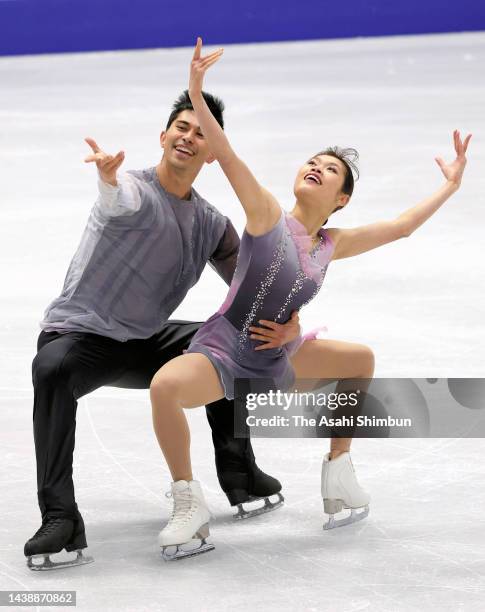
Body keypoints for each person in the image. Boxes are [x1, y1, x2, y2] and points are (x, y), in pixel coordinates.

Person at [150, 38, 472, 559]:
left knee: (359, 361)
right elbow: (227, 155)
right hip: (227, 348)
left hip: (280, 352)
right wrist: (195, 92)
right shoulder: (266, 215)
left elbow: (401, 227)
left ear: (340, 199)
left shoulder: (332, 243)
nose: (316, 167)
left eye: (331, 170)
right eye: (312, 161)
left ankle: (338, 473)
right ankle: (188, 502)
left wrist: (451, 187)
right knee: (165, 387)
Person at [24, 89, 302, 571]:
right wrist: (107, 179)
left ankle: (239, 471)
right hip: (81, 339)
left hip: (144, 340)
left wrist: (288, 318)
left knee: (230, 341)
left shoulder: (211, 223)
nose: (189, 138)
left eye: (201, 134)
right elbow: (117, 199)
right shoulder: (130, 190)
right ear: (164, 135)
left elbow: (253, 286)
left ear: (213, 152)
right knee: (50, 370)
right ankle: (61, 517)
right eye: (182, 127)